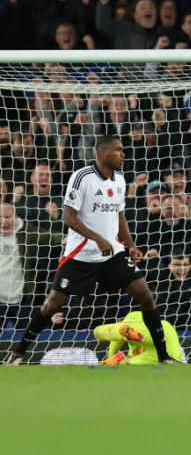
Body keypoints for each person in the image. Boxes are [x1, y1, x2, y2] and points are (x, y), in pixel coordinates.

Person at [4, 135, 176, 364]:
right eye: (118, 150)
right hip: (81, 254)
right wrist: (97, 239)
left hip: (112, 253)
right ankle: (18, 353)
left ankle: (164, 356)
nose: (123, 154)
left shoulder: (120, 179)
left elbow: (120, 215)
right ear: (103, 152)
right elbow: (68, 216)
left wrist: (131, 245)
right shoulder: (82, 177)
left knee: (144, 294)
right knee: (53, 302)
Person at [94, 310, 182, 365]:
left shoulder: (132, 317)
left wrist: (111, 356)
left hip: (157, 332)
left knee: (98, 332)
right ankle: (124, 332)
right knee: (128, 363)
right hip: (169, 356)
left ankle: (120, 331)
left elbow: (116, 341)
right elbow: (130, 357)